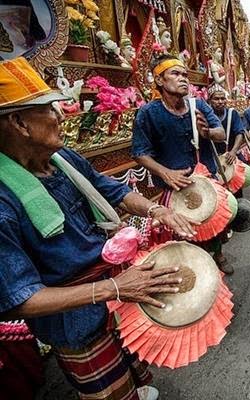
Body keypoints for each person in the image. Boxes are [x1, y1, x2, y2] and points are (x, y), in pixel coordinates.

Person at [0, 57, 198, 400]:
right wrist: (112, 288)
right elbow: (21, 299)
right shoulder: (3, 202)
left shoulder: (64, 160)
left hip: (113, 289)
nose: (62, 116)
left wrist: (156, 210)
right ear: (18, 123)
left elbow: (114, 190)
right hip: (75, 318)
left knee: (131, 369)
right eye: (49, 109)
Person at [131, 55, 232, 274]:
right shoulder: (148, 113)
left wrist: (206, 132)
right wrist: (165, 172)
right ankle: (194, 267)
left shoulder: (199, 105)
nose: (183, 79)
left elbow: (221, 134)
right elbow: (139, 153)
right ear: (159, 80)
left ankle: (218, 255)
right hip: (174, 189)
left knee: (213, 227)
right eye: (175, 74)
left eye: (185, 75)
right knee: (183, 233)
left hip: (205, 182)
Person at [207, 85, 245, 196]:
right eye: (216, 99)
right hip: (212, 158)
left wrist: (233, 151)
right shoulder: (206, 116)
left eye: (223, 98)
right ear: (209, 101)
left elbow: (240, 133)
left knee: (237, 184)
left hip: (230, 155)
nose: (220, 102)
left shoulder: (232, 113)